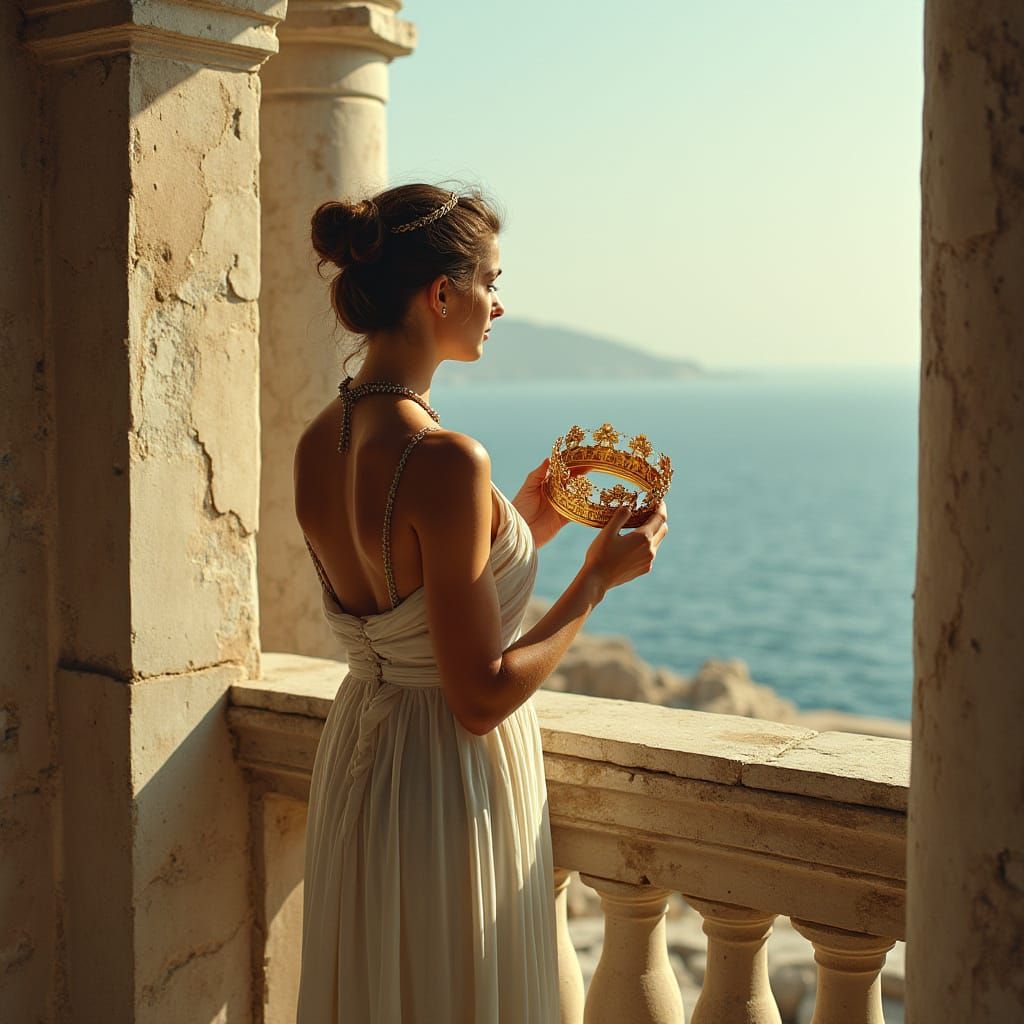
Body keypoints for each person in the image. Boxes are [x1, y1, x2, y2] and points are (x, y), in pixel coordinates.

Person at [293, 182, 669, 1023]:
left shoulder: (319, 441)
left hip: (361, 763)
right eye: (491, 282)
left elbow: (403, 589)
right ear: (440, 294)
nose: (499, 305)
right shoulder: (447, 458)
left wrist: (523, 521)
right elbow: (478, 696)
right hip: (443, 782)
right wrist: (595, 580)